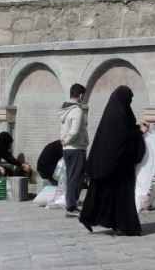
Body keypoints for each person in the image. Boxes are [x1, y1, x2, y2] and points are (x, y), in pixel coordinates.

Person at [79, 86, 148, 236]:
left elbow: (123, 131)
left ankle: (88, 217)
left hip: (107, 163)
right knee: (120, 194)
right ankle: (128, 226)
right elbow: (121, 139)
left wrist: (136, 129)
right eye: (128, 99)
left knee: (102, 193)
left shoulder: (115, 111)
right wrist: (139, 133)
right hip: (117, 165)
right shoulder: (119, 113)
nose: (129, 102)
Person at [58, 83, 90, 218]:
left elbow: (65, 129)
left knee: (72, 177)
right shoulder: (77, 110)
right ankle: (71, 207)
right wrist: (68, 139)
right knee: (75, 178)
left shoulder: (65, 110)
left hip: (68, 149)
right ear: (81, 95)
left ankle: (71, 205)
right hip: (76, 148)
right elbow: (75, 130)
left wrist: (64, 140)